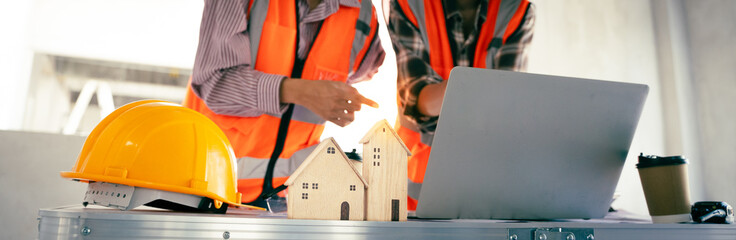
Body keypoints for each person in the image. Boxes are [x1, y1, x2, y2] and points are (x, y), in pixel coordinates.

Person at [183, 0, 385, 207]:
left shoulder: (363, 12)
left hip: (285, 198)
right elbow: (213, 82)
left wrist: (338, 96)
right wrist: (304, 92)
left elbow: (368, 66)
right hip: (204, 188)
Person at [387, 0, 535, 210]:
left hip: (485, 189)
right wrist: (477, 88)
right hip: (411, 191)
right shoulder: (409, 4)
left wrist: (463, 91)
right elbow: (418, 101)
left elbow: (504, 108)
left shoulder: (516, 10)